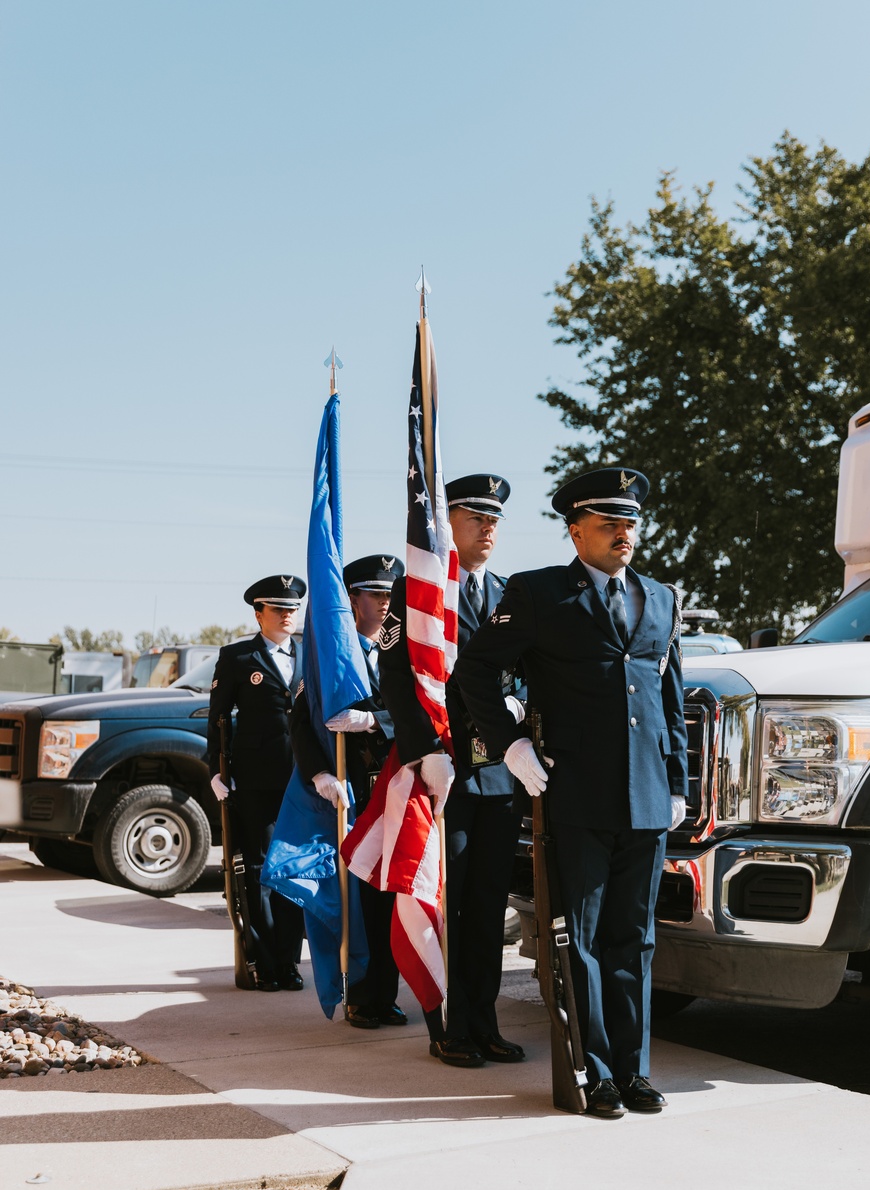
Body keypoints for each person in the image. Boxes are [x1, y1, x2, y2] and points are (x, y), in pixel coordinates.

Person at [453, 467, 688, 1118]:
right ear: (575, 529)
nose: (623, 533)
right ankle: (594, 1072)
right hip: (575, 795)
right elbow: (475, 668)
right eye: (608, 522)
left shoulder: (661, 598)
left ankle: (634, 1071)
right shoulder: (537, 594)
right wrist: (510, 744)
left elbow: (669, 701)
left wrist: (677, 783)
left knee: (633, 938)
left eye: (630, 522)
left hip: (644, 800)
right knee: (578, 940)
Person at [378, 474, 526, 1069]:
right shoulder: (413, 591)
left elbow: (527, 667)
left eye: (495, 520)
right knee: (448, 902)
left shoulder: (512, 592)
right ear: (448, 523)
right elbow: (396, 677)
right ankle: (448, 1025)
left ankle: (485, 1020)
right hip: (444, 772)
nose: (488, 529)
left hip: (499, 776)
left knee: (490, 906)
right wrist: (423, 748)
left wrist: (521, 708)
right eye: (475, 518)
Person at [289, 552, 407, 1029]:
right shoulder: (331, 656)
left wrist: (375, 720)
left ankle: (387, 994)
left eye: (389, 596)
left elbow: (423, 713)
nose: (384, 604)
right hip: (353, 790)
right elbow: (301, 719)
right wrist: (320, 772)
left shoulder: (401, 651)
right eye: (375, 595)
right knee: (358, 898)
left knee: (392, 897)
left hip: (397, 787)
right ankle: (361, 995)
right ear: (350, 600)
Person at [207, 575, 307, 992]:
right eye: (279, 608)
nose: (287, 615)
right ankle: (265, 964)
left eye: (292, 609)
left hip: (301, 781)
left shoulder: (308, 654)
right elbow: (218, 718)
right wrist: (214, 770)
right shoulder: (237, 657)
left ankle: (289, 961)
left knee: (297, 871)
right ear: (258, 613)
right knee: (263, 871)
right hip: (257, 780)